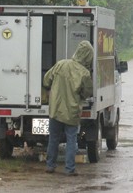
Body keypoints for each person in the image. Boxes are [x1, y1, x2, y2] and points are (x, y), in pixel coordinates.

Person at [43, 40, 94, 176]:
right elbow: (87, 92)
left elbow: (46, 79)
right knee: (71, 139)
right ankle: (69, 169)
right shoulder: (84, 73)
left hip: (56, 109)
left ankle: (50, 165)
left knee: (53, 138)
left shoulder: (61, 64)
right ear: (88, 56)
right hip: (72, 112)